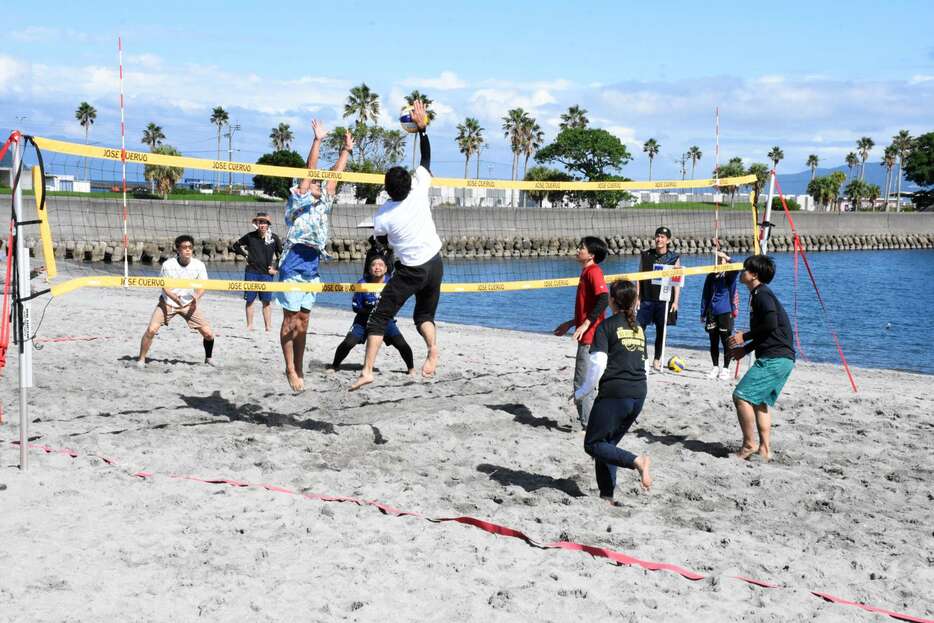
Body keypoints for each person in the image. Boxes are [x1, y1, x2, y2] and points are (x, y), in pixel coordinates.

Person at [350, 100, 442, 391]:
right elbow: (426, 159)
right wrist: (422, 129)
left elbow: (379, 243)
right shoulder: (418, 188)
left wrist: (379, 239)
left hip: (411, 270)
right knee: (423, 316)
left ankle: (367, 370)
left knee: (378, 319)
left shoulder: (384, 215)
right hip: (436, 263)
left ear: (387, 190)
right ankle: (432, 350)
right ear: (408, 182)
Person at [276, 120, 353, 391]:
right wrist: (317, 141)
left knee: (304, 321)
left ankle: (299, 366)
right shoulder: (299, 197)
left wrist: (346, 150)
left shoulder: (325, 201)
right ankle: (289, 368)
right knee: (290, 319)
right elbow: (311, 170)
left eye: (321, 183)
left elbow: (335, 176)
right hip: (293, 260)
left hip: (313, 264)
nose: (319, 184)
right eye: (315, 183)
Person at [575, 279, 652, 502]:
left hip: (616, 393)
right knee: (606, 446)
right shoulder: (638, 329)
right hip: (639, 393)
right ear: (635, 302)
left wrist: (582, 392)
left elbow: (598, 364)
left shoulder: (606, 326)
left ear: (611, 301)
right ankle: (606, 497)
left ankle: (637, 461)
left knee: (593, 444)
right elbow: (645, 365)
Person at [727, 254, 796, 461]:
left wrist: (743, 336)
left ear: (754, 275)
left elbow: (771, 325)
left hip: (775, 358)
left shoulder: (761, 295)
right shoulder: (758, 294)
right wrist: (745, 349)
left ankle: (749, 445)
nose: (742, 272)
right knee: (759, 402)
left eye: (745, 270)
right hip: (782, 357)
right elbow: (768, 332)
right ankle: (765, 450)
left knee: (741, 396)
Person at [553, 236, 609, 428]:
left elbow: (603, 299)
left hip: (591, 337)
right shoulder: (586, 272)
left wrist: (585, 325)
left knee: (582, 384)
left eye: (581, 248)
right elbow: (590, 306)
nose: (578, 250)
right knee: (588, 383)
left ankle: (588, 425)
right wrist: (571, 323)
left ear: (591, 254)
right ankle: (591, 421)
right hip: (590, 334)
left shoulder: (593, 271)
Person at [137, 235, 214, 367]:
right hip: (168, 302)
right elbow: (165, 286)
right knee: (151, 330)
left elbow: (202, 286)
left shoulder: (199, 265)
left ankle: (208, 358)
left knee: (208, 334)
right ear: (178, 250)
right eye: (184, 247)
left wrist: (197, 296)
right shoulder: (168, 265)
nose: (188, 250)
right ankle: (141, 359)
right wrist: (174, 298)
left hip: (189, 304)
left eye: (190, 247)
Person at [330, 254, 415, 374]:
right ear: (369, 269)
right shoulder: (362, 283)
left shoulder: (391, 283)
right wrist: (370, 309)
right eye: (374, 265)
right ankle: (334, 366)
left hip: (385, 320)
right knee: (348, 343)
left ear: (386, 269)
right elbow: (356, 308)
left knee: (401, 344)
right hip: (362, 320)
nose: (377, 267)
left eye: (381, 265)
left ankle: (411, 369)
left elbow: (398, 302)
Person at [636, 226, 681, 371]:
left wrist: (676, 301)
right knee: (639, 328)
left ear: (668, 240)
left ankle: (657, 359)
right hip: (647, 298)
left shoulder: (674, 257)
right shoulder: (646, 255)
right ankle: (643, 357)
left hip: (664, 300)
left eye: (662, 237)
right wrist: (637, 297)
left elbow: (677, 281)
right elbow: (638, 277)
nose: (659, 239)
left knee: (661, 331)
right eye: (657, 236)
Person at [230, 212, 282, 331]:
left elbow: (282, 255)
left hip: (266, 274)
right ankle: (250, 326)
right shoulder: (250, 236)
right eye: (260, 222)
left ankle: (268, 327)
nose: (262, 225)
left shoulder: (274, 238)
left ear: (268, 225)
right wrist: (246, 255)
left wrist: (276, 269)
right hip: (251, 272)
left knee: (266, 302)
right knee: (250, 300)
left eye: (264, 223)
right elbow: (235, 246)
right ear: (257, 224)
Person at [700, 250, 740, 380]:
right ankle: (715, 367)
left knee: (726, 340)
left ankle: (726, 368)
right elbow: (705, 295)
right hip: (712, 312)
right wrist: (703, 312)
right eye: (717, 259)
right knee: (713, 341)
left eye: (720, 260)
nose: (718, 262)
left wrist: (726, 257)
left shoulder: (729, 275)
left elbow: (737, 266)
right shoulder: (711, 275)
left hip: (726, 312)